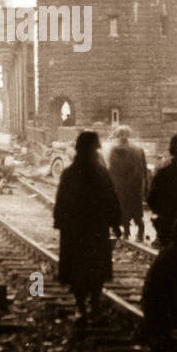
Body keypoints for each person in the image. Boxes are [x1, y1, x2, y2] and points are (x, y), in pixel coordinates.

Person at [53, 131, 121, 321]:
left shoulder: (69, 173)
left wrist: (60, 222)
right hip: (96, 230)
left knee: (77, 267)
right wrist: (116, 223)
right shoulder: (101, 173)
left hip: (75, 230)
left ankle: (81, 305)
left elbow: (61, 201)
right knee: (96, 267)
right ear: (95, 150)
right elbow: (111, 199)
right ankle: (94, 303)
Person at [106, 125, 148, 240]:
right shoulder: (138, 149)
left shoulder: (113, 150)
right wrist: (145, 188)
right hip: (135, 184)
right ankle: (140, 233)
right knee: (137, 208)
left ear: (117, 135)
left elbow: (111, 169)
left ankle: (126, 232)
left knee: (123, 207)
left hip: (120, 185)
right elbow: (143, 169)